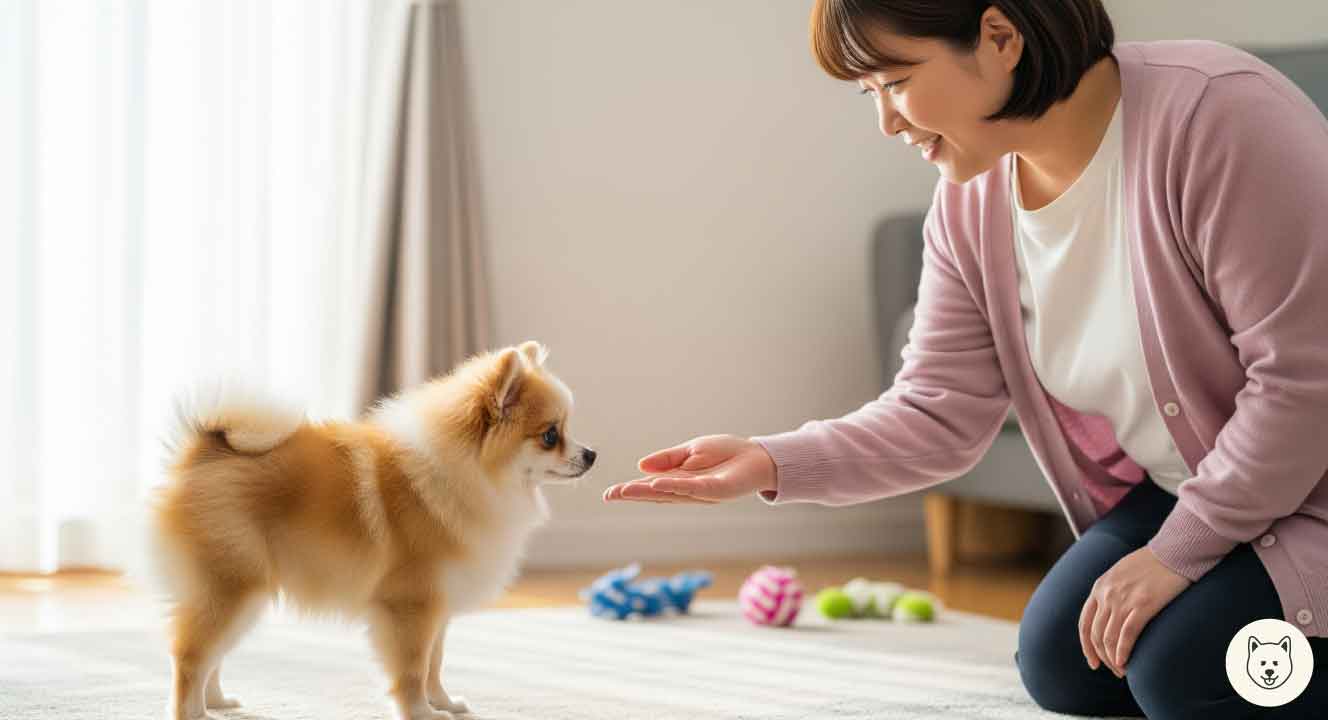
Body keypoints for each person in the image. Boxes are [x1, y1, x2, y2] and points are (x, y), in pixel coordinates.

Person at [602, 1, 1328, 717]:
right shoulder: (971, 203)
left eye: (894, 80)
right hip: (1202, 480)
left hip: (1312, 485)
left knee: (1189, 672)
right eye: (868, 92)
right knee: (1063, 665)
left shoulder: (1218, 116)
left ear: (999, 36)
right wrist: (768, 461)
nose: (885, 120)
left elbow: (1304, 384)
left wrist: (1178, 554)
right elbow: (936, 412)